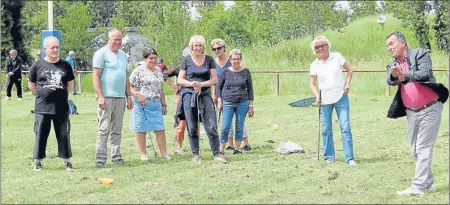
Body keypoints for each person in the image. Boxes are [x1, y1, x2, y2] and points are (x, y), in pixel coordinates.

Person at [385, 31, 448, 196]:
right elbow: (390, 80)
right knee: (415, 150)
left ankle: (417, 187)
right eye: (387, 46)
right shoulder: (393, 64)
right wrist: (394, 75)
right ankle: (429, 182)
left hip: (430, 109)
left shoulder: (420, 53)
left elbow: (424, 73)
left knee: (423, 148)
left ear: (402, 43)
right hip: (411, 112)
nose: (389, 48)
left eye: (391, 44)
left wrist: (404, 75)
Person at [27, 36, 75, 171]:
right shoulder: (37, 65)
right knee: (41, 134)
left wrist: (62, 94)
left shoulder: (65, 65)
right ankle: (38, 161)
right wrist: (43, 94)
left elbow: (70, 84)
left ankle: (67, 161)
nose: (55, 50)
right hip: (43, 108)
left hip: (61, 107)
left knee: (64, 134)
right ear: (45, 49)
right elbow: (31, 84)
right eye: (52, 47)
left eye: (57, 47)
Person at [177, 35, 227, 163]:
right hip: (189, 96)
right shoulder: (186, 60)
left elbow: (214, 79)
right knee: (192, 126)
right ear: (191, 47)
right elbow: (180, 79)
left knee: (211, 125)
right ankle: (195, 154)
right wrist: (192, 84)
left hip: (205, 95)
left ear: (203, 47)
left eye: (200, 45)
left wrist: (201, 84)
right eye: (196, 46)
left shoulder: (209, 60)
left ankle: (217, 153)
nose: (198, 48)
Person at [309, 35, 356, 166]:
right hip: (324, 100)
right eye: (317, 47)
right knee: (326, 129)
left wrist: (347, 84)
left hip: (341, 97)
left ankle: (349, 158)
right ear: (315, 50)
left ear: (327, 46)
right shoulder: (314, 65)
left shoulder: (337, 57)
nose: (320, 48)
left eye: (322, 45)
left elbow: (350, 69)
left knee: (345, 126)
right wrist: (316, 95)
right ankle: (329, 157)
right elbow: (312, 84)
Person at [92, 28, 133, 167]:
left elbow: (126, 77)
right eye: (115, 39)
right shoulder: (101, 54)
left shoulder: (122, 55)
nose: (118, 42)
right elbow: (96, 76)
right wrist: (100, 96)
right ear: (109, 39)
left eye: (120, 39)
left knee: (117, 128)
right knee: (104, 128)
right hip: (106, 97)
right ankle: (100, 158)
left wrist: (129, 96)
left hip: (120, 97)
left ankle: (116, 156)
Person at [129, 48, 171, 161]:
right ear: (145, 58)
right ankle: (143, 154)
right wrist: (138, 95)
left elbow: (161, 89)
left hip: (156, 104)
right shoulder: (138, 70)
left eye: (154, 58)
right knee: (142, 129)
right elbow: (130, 87)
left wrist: (164, 104)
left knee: (160, 129)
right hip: (141, 104)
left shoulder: (158, 71)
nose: (153, 60)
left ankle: (164, 153)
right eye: (150, 58)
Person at [211, 38, 252, 151]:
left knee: (239, 122)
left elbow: (248, 86)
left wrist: (251, 105)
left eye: (219, 48)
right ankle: (228, 144)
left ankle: (245, 143)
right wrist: (215, 96)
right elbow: (215, 81)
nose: (216, 50)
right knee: (226, 123)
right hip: (225, 96)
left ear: (224, 48)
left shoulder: (233, 61)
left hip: (240, 97)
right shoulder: (214, 63)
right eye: (214, 49)